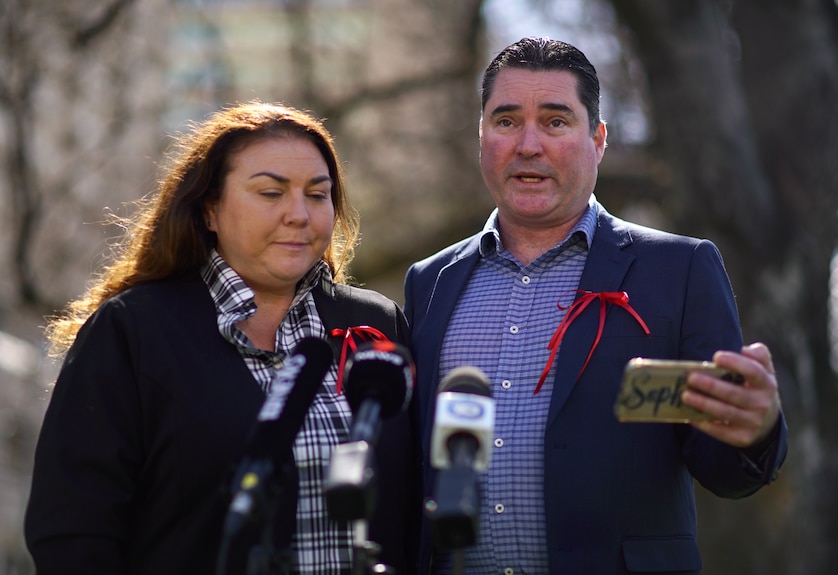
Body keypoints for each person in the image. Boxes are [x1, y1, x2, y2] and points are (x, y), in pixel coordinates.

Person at [404, 37, 787, 575]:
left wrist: (756, 429)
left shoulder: (678, 270)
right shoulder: (429, 282)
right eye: (506, 121)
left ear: (598, 139)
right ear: (482, 137)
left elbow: (727, 470)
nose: (528, 144)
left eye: (556, 121)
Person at [25, 101, 420, 575]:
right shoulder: (133, 330)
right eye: (271, 193)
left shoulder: (378, 324)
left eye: (318, 195)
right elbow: (72, 533)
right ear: (210, 208)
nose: (299, 214)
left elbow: (414, 509)